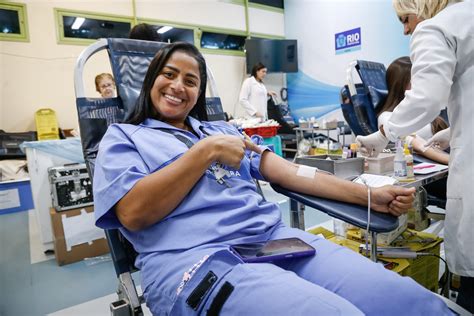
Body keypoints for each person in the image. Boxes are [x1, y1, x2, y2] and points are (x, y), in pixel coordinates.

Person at [93, 42, 453, 315]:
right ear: (150, 80)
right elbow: (133, 213)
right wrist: (206, 152)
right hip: (196, 262)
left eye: (190, 80)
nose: (177, 86)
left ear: (199, 93)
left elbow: (292, 172)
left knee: (408, 302)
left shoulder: (217, 130)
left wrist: (371, 197)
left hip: (273, 241)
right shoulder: (125, 137)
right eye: (168, 74)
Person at [356, 0, 473, 312]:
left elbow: (426, 97)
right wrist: (452, 133)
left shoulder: (438, 27)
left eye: (405, 19)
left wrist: (384, 134)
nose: (406, 29)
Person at [377, 56, 449, 164]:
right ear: (400, 85)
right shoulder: (387, 117)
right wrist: (455, 161)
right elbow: (418, 145)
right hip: (442, 165)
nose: (422, 85)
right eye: (416, 80)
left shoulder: (428, 110)